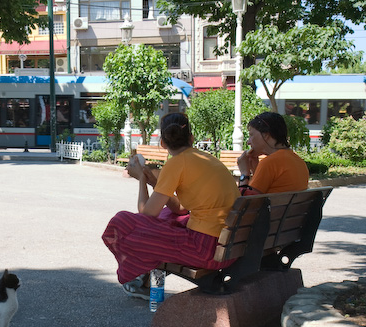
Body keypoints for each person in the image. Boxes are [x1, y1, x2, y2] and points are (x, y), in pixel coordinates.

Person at [102, 113, 240, 299]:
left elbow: (147, 214)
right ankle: (142, 275)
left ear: (162, 143)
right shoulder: (208, 159)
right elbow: (181, 209)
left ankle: (137, 276)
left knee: (123, 222)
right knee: (168, 215)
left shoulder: (176, 163)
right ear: (191, 138)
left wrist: (142, 178)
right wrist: (156, 185)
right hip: (228, 247)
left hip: (206, 250)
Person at [236, 112, 309, 196]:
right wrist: (256, 169)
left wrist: (244, 174)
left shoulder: (269, 163)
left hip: (271, 209)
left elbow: (244, 204)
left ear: (266, 135)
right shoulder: (298, 161)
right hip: (288, 208)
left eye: (251, 135)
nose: (248, 142)